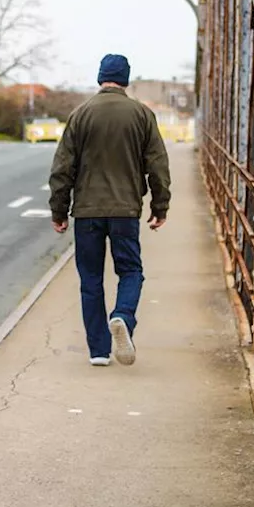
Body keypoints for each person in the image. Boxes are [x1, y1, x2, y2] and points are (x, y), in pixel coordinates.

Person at [48, 54, 171, 366]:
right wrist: (160, 205)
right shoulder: (142, 115)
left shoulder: (81, 114)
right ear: (125, 80)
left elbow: (62, 168)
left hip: (87, 212)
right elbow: (157, 165)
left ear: (100, 77)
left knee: (90, 278)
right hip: (125, 211)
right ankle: (123, 317)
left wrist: (59, 211)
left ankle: (99, 351)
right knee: (130, 271)